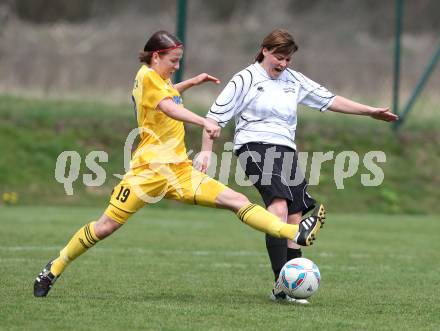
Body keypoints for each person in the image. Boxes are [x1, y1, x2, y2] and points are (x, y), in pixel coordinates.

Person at [33, 30, 326, 298]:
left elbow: (167, 95)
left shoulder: (158, 79)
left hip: (180, 172)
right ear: (156, 56)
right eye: (173, 61)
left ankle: (293, 232)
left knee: (235, 200)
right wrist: (204, 121)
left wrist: (190, 83)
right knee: (105, 227)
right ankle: (54, 268)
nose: (176, 66)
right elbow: (167, 107)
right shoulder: (147, 76)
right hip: (147, 172)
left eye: (179, 61)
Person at [194, 28, 398, 304]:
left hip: (285, 149)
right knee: (278, 204)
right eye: (279, 57)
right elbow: (214, 118)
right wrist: (206, 152)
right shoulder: (245, 79)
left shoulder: (293, 80)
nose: (283, 64)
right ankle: (282, 284)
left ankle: (291, 282)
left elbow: (329, 99)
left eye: (288, 59)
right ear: (265, 50)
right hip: (254, 146)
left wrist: (370, 111)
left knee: (295, 212)